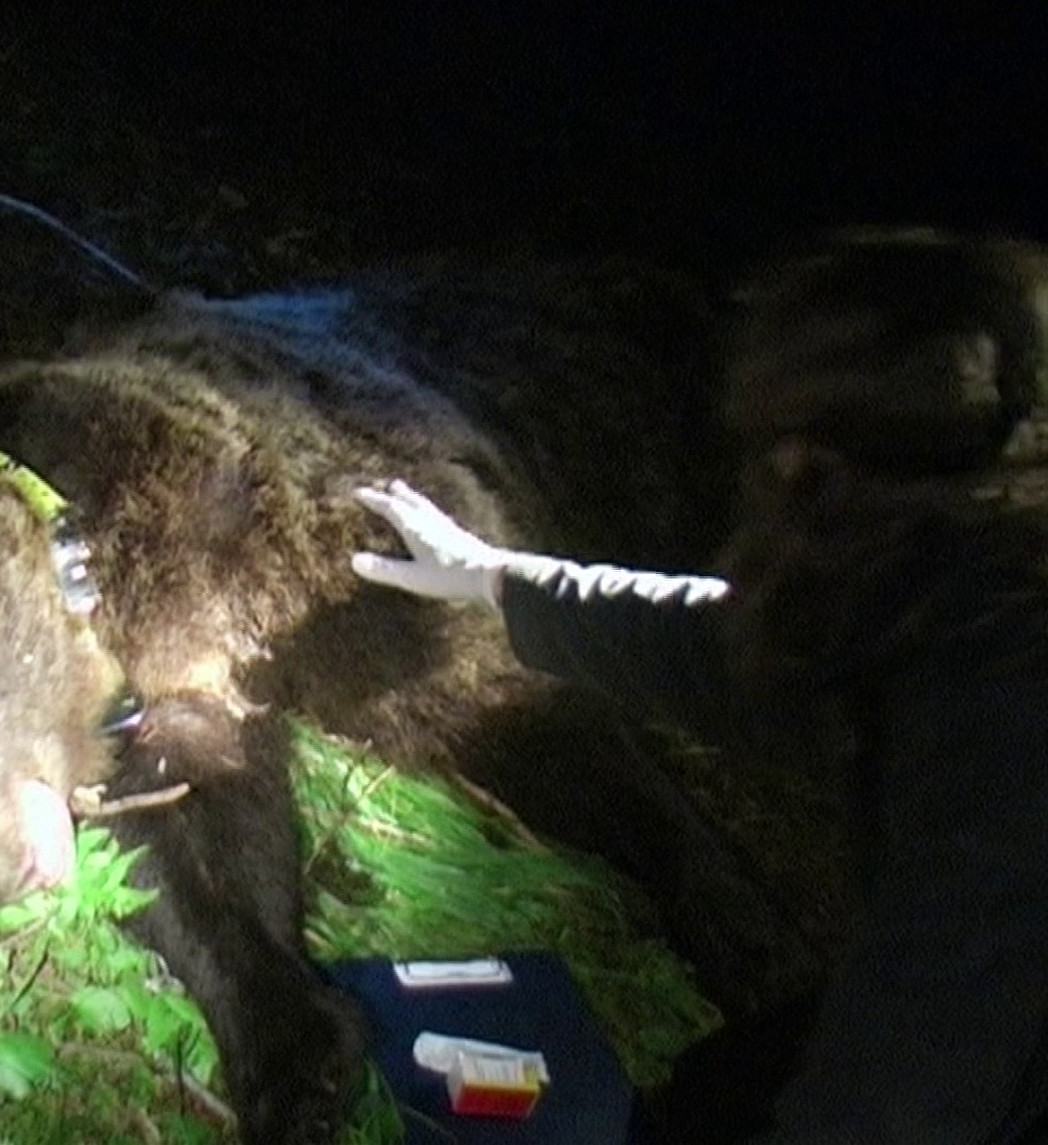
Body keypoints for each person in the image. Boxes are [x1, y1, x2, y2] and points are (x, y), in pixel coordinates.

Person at [350, 234, 1048, 1144]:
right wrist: (496, 581)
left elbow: (905, 1079)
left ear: (819, 474)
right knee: (717, 1088)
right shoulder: (942, 588)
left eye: (766, 454)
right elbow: (742, 653)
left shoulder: (1001, 746)